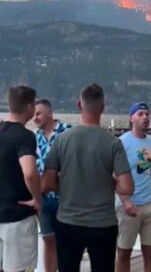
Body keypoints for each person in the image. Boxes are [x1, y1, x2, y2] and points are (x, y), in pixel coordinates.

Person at [43, 83, 133, 272]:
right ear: (103, 107)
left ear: (79, 105)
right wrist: (113, 182)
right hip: (103, 224)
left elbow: (47, 183)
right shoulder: (113, 143)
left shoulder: (62, 140)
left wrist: (64, 184)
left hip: (68, 222)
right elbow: (127, 188)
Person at [116, 103, 151, 272]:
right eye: (141, 114)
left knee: (150, 252)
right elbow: (113, 174)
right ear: (132, 118)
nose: (145, 117)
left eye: (147, 114)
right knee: (123, 252)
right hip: (130, 205)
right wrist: (124, 200)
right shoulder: (121, 142)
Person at [0, 86, 40, 272]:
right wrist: (37, 198)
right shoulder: (25, 137)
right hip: (18, 217)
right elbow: (30, 172)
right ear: (30, 107)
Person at [33, 99, 72, 272]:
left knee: (67, 241)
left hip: (65, 197)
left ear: (49, 113)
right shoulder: (34, 137)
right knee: (48, 239)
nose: (35, 117)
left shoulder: (68, 132)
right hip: (43, 197)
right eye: (33, 114)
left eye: (38, 113)